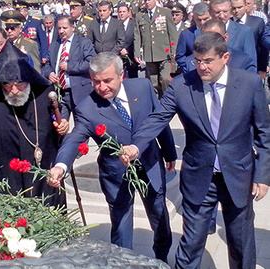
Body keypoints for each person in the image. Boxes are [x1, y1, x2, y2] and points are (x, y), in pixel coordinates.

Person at [120, 32, 270, 269]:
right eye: (197, 61)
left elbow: (264, 134)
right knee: (190, 244)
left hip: (238, 175)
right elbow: (158, 118)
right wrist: (136, 145)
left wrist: (262, 175)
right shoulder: (182, 85)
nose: (201, 67)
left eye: (208, 61)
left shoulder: (249, 84)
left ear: (225, 57)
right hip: (199, 177)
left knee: (241, 243)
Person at [48, 52, 177, 262]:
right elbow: (73, 140)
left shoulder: (142, 88)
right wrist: (60, 166)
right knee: (121, 226)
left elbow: (158, 120)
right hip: (117, 175)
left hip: (150, 164)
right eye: (96, 82)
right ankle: (124, 262)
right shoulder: (87, 109)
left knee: (159, 218)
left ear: (121, 75)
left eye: (108, 80)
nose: (102, 87)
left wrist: (169, 151)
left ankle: (161, 259)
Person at [0, 42, 69, 207]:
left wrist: (62, 123)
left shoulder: (43, 95)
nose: (13, 90)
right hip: (11, 178)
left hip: (45, 175)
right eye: (7, 84)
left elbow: (59, 115)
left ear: (28, 78)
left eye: (19, 83)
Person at [43, 15, 95, 114]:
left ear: (73, 28)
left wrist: (69, 67)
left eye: (65, 28)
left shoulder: (84, 43)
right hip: (59, 94)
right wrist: (49, 73)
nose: (61, 31)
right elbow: (47, 64)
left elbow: (91, 63)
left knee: (81, 125)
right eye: (59, 28)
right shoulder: (55, 45)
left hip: (78, 92)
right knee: (60, 126)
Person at [134, 0, 178, 97]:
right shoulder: (140, 16)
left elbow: (172, 34)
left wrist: (173, 50)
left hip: (164, 52)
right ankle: (157, 101)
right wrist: (137, 53)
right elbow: (137, 36)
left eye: (149, 0)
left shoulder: (165, 13)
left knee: (165, 78)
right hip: (149, 54)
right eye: (145, 1)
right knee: (153, 82)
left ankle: (168, 98)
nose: (147, 2)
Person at [231, 0, 267, 79]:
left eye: (239, 7)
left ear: (245, 6)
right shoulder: (227, 23)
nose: (236, 11)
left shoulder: (257, 22)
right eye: (234, 8)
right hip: (232, 68)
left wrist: (262, 68)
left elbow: (262, 48)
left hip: (252, 66)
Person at [176, 2, 211, 73]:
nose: (202, 23)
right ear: (194, 18)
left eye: (205, 19)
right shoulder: (186, 34)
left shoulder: (217, 30)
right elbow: (180, 56)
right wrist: (189, 67)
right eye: (199, 20)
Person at [118, 3, 139, 78]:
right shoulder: (115, 25)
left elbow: (137, 40)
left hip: (131, 57)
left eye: (124, 12)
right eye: (120, 12)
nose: (122, 14)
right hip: (119, 57)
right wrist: (120, 49)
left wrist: (128, 50)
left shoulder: (134, 25)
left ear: (128, 12)